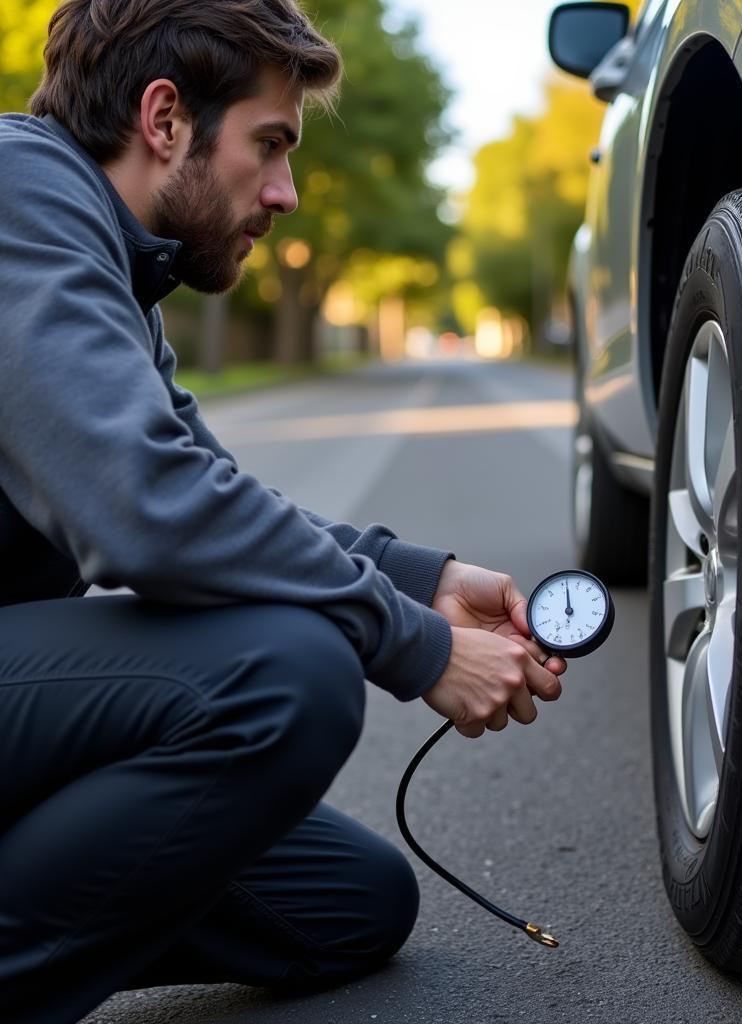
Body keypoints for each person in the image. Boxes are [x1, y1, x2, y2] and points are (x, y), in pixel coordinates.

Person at [0, 2, 566, 1021]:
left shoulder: (111, 268)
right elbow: (152, 515)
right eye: (269, 145)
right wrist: (415, 646)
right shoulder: (18, 192)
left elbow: (202, 493)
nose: (286, 194)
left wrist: (418, 578)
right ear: (164, 118)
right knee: (287, 673)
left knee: (348, 903)